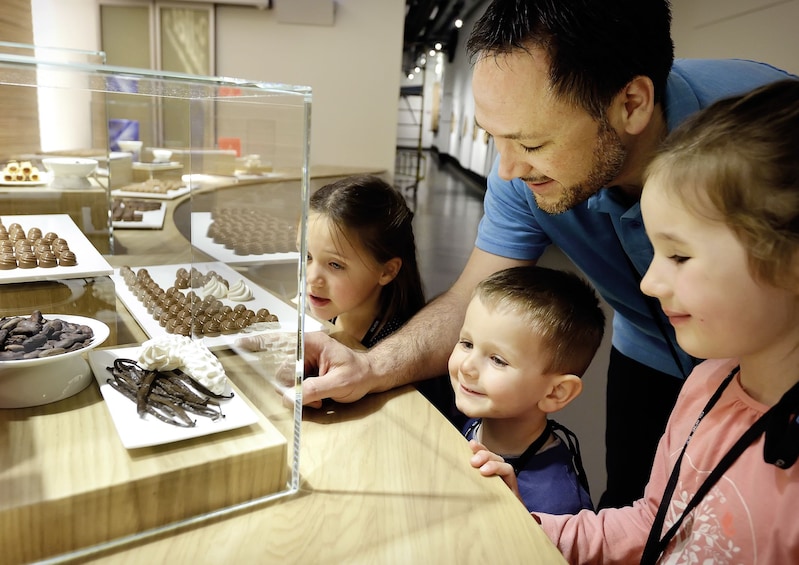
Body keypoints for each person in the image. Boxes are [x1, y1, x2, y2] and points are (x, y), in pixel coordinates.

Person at [300, 0, 795, 509]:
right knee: (638, 498)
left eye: (531, 142)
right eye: (494, 138)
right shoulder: (520, 173)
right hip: (649, 348)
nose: (508, 170)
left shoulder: (765, 132)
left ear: (630, 103)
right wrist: (369, 367)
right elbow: (473, 295)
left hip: (776, 366)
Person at [473, 78, 799, 563]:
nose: (648, 284)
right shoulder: (706, 386)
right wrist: (524, 523)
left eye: (680, 256)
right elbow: (656, 523)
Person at [451, 265, 604, 514]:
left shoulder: (559, 503)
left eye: (497, 360)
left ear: (556, 393)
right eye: (467, 343)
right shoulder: (474, 422)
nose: (467, 366)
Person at [304, 174, 425, 349]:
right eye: (307, 256)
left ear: (387, 271)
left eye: (335, 264)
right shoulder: (330, 310)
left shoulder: (393, 348)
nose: (312, 278)